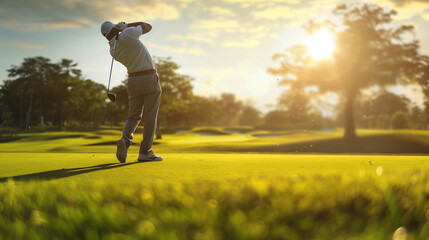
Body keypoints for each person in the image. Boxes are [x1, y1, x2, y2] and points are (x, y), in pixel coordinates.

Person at [100, 21, 162, 163]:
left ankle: (125, 140)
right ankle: (145, 152)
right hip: (149, 78)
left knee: (134, 116)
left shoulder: (112, 50)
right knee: (150, 115)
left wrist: (118, 29)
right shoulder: (128, 34)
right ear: (115, 28)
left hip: (133, 81)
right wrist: (127, 25)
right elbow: (148, 26)